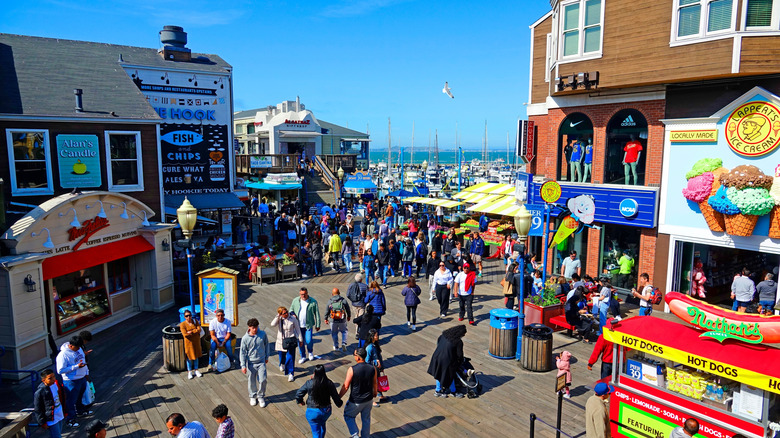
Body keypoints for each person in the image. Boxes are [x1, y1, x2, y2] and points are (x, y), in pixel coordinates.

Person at [339, 347, 377, 438]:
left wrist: (338, 397)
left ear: (358, 357)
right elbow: (375, 383)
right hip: (368, 399)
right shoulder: (373, 368)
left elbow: (346, 386)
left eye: (354, 355)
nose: (354, 356)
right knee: (366, 419)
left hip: (356, 400)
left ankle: (355, 435)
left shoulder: (352, 369)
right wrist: (374, 393)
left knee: (348, 416)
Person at [296, 364, 343, 438]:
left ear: (314, 373)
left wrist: (300, 401)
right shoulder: (329, 383)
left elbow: (299, 393)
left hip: (312, 411)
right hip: (326, 410)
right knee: (322, 425)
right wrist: (339, 404)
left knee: (315, 432)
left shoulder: (310, 383)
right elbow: (335, 396)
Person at [55, 335, 88, 427]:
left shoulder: (79, 349)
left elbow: (82, 359)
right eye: (77, 347)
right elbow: (60, 370)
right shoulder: (62, 355)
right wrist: (76, 366)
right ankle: (70, 419)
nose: (78, 349)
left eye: (80, 347)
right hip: (71, 381)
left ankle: (80, 411)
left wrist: (86, 372)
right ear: (71, 345)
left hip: (81, 377)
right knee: (71, 400)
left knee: (79, 396)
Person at [427, 325, 467, 398]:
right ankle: (453, 391)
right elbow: (459, 354)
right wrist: (460, 362)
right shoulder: (458, 341)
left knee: (439, 373)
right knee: (450, 375)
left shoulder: (443, 335)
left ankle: (438, 391)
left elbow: (439, 343)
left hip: (437, 356)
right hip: (447, 360)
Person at [240, 318, 272, 407]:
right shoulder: (245, 338)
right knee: (251, 381)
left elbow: (267, 345)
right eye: (253, 327)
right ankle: (253, 396)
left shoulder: (263, 334)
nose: (255, 329)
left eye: (256, 327)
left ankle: (261, 396)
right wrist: (243, 365)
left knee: (263, 380)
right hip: (251, 363)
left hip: (261, 361)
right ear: (249, 327)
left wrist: (267, 356)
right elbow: (242, 352)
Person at [271, 306, 303, 382]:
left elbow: (298, 329)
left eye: (286, 312)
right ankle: (282, 363)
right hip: (281, 341)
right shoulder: (279, 319)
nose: (286, 314)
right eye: (284, 313)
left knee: (291, 357)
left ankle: (291, 373)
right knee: (281, 355)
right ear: (281, 314)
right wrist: (277, 316)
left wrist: (301, 340)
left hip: (291, 340)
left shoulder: (293, 319)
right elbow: (272, 324)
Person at [290, 287, 322, 363]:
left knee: (309, 340)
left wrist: (318, 324)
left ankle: (310, 352)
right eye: (301, 294)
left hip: (308, 325)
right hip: (298, 326)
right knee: (300, 341)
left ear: (307, 293)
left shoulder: (313, 302)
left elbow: (317, 314)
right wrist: (293, 314)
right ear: (299, 294)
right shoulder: (295, 300)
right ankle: (303, 356)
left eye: (304, 294)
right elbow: (291, 309)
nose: (303, 296)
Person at [34, 369, 66, 436]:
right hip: (51, 418)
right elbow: (38, 408)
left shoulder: (56, 385)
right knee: (56, 435)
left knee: (58, 433)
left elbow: (62, 397)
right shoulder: (40, 392)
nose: (53, 379)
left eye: (54, 377)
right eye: (50, 378)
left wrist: (65, 411)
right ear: (43, 380)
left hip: (59, 414)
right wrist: (42, 422)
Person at [365, 329, 389, 406]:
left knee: (378, 381)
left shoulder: (375, 345)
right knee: (372, 384)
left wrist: (381, 366)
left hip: (377, 368)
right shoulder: (369, 347)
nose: (377, 336)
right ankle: (370, 400)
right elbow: (367, 360)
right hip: (371, 369)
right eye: (376, 335)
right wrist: (375, 362)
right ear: (372, 337)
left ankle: (380, 395)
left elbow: (379, 356)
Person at [325, 287, 352, 352]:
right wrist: (349, 316)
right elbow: (348, 309)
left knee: (334, 333)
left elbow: (327, 310)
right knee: (344, 331)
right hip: (342, 319)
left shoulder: (330, 301)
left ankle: (336, 346)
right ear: (339, 293)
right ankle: (344, 343)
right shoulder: (343, 300)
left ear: (332, 294)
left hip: (333, 320)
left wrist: (325, 318)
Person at [179, 310, 203, 379]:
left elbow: (199, 329)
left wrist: (191, 332)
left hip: (196, 341)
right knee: (189, 356)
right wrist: (194, 331)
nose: (188, 317)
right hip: (189, 343)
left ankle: (196, 370)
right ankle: (189, 371)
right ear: (184, 317)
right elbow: (185, 334)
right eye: (187, 316)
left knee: (196, 355)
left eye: (189, 315)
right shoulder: (182, 324)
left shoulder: (195, 321)